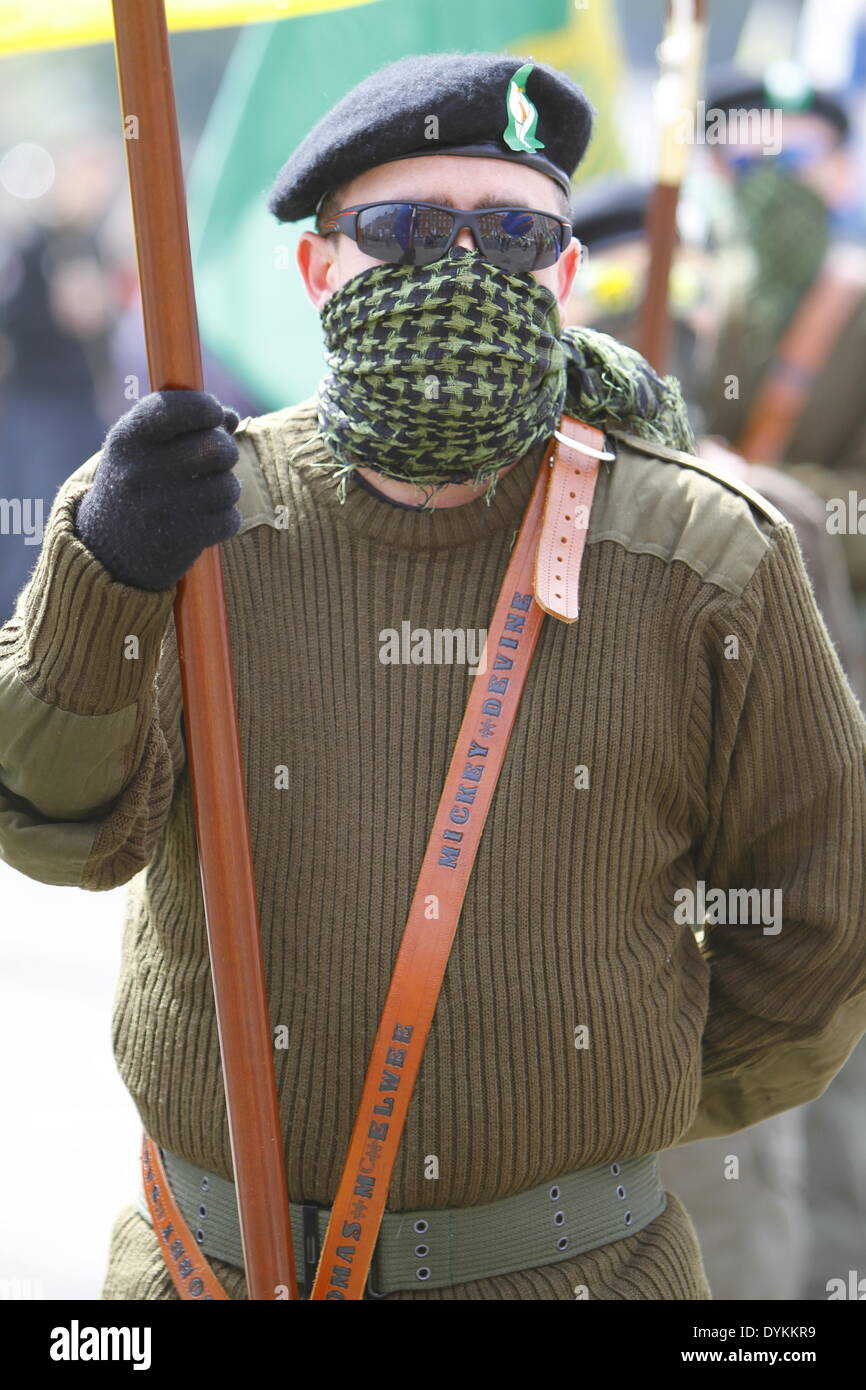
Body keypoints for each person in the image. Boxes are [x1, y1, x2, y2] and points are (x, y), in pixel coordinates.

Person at [1, 52, 865, 1303]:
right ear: (318, 267)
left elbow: (817, 927)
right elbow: (51, 829)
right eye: (403, 228)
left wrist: (596, 1110)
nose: (462, 267)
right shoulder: (183, 510)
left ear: (565, 278)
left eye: (513, 234)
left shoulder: (707, 553)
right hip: (205, 1275)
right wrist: (103, 573)